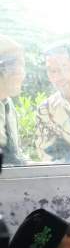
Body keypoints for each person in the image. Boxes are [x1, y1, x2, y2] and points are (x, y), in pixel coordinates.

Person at [0, 35, 25, 166]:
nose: (21, 72)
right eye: (13, 64)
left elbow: (15, 158)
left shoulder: (7, 104)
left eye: (21, 64)